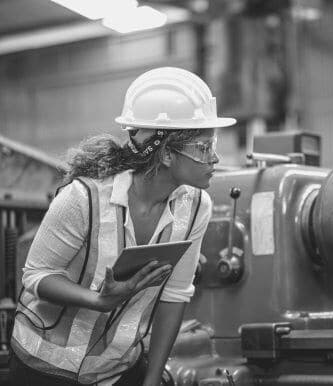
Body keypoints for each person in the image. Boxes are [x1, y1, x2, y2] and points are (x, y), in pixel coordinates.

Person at [9, 67, 236, 385]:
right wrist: (98, 301)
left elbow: (175, 295)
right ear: (167, 154)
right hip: (44, 363)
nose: (214, 158)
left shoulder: (197, 206)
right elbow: (36, 275)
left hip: (115, 369)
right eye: (203, 147)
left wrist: (152, 379)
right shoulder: (84, 197)